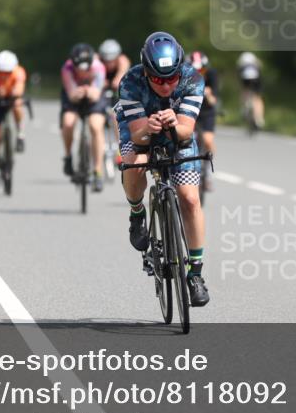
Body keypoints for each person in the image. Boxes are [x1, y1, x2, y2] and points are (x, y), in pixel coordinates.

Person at [117, 32, 210, 306]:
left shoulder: (193, 79)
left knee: (191, 199)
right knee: (134, 165)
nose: (167, 86)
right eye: (158, 79)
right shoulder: (130, 83)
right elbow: (136, 137)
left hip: (177, 133)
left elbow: (185, 131)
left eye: (172, 79)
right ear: (146, 72)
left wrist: (172, 124)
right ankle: (137, 213)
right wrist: (148, 127)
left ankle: (195, 274)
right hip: (140, 131)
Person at [61, 43, 107, 191]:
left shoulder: (98, 67)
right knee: (68, 122)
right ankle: (68, 156)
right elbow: (72, 94)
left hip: (93, 96)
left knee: (95, 126)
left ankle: (98, 171)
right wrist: (79, 92)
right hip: (74, 96)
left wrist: (88, 91)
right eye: (78, 68)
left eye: (85, 68)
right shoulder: (67, 68)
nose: (81, 72)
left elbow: (96, 94)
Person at [0, 50, 27, 186]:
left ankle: (20, 133)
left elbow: (19, 89)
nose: (4, 74)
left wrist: (13, 93)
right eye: (2, 71)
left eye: (8, 72)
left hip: (11, 97)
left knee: (17, 106)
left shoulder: (19, 72)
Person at [187, 51, 218, 191]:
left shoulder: (211, 75)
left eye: (202, 70)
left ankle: (208, 173)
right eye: (195, 70)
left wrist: (208, 93)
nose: (199, 72)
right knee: (186, 138)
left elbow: (214, 101)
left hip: (206, 112)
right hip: (189, 111)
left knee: (208, 140)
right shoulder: (184, 76)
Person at [237, 51, 264, 129]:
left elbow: (239, 75)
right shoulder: (256, 63)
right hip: (256, 79)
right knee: (258, 98)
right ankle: (259, 119)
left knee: (244, 91)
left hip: (245, 79)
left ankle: (244, 108)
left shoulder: (242, 62)